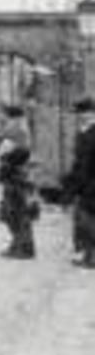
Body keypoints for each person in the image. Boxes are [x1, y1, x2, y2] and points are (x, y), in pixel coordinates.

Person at [63, 98, 95, 268]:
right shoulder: (82, 132)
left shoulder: (91, 132)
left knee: (88, 219)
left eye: (82, 113)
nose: (80, 117)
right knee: (84, 219)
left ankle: (92, 257)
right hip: (83, 182)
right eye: (79, 114)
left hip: (91, 182)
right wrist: (71, 182)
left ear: (90, 113)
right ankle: (88, 255)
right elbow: (79, 161)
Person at [0, 141, 40, 260]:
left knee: (20, 221)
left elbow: (13, 179)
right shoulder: (17, 166)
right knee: (14, 220)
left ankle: (25, 249)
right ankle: (18, 245)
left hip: (18, 196)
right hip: (16, 195)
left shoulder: (15, 167)